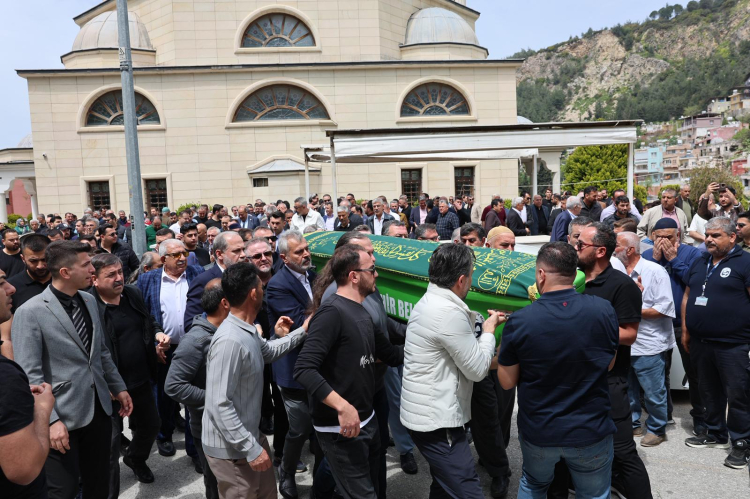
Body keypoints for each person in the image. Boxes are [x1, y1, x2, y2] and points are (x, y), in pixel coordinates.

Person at [12, 241, 133, 499]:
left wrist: (118, 386)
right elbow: (30, 375)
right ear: (65, 272)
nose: (92, 269)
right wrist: (51, 421)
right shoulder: (30, 312)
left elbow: (100, 352)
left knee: (99, 482)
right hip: (61, 416)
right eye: (86, 264)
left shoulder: (89, 300)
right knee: (63, 490)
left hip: (98, 410)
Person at [499, 242, 618, 498]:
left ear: (541, 274)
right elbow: (609, 364)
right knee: (595, 494)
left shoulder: (520, 321)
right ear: (574, 273)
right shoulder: (604, 310)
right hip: (590, 428)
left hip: (540, 430)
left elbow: (507, 382)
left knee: (534, 484)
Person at [295, 244, 404, 498]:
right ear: (354, 276)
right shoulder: (331, 313)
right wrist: (343, 407)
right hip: (341, 429)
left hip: (367, 419)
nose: (376, 274)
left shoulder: (361, 310)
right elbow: (304, 368)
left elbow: (392, 355)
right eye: (372, 269)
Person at [401, 244, 505, 499]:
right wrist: (489, 330)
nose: (471, 282)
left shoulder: (433, 300)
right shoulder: (447, 312)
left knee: (444, 486)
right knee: (467, 489)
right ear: (461, 280)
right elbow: (478, 370)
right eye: (471, 276)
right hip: (437, 422)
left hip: (429, 414)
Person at [202, 263, 307, 499]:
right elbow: (219, 404)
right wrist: (250, 448)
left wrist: (302, 330)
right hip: (232, 449)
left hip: (249, 437)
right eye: (261, 287)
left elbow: (267, 351)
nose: (263, 291)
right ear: (253, 294)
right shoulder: (229, 341)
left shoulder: (246, 327)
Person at [570, 223, 651, 498]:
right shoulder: (573, 280)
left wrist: (581, 325)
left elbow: (629, 335)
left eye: (580, 244)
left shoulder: (622, 285)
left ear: (600, 251)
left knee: (623, 450)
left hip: (608, 381)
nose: (575, 248)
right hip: (574, 378)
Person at [90, 254, 166, 493]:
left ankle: (135, 458)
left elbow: (149, 320)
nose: (119, 278)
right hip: (109, 388)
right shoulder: (88, 305)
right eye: (110, 275)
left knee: (151, 425)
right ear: (94, 279)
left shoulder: (133, 294)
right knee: (110, 444)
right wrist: (108, 384)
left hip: (140, 379)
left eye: (120, 272)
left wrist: (157, 334)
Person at [682, 217, 750, 469]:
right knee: (708, 390)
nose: (709, 239)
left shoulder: (745, 262)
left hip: (735, 344)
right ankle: (715, 432)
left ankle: (742, 442)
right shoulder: (700, 260)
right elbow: (688, 295)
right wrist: (686, 330)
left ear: (732, 237)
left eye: (716, 235)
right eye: (707, 234)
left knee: (738, 394)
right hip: (701, 342)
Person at [137, 239, 204, 460]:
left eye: (184, 253)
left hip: (194, 347)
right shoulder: (148, 279)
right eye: (176, 255)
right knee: (165, 397)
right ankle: (164, 435)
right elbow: (143, 315)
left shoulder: (197, 273)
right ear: (164, 258)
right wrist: (153, 344)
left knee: (195, 398)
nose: (183, 258)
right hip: (164, 349)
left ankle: (195, 450)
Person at [460, 229, 514, 498]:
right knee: (486, 417)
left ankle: (493, 454)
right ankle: (499, 470)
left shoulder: (518, 278)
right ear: (488, 246)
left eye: (513, 245)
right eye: (505, 245)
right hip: (479, 360)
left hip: (505, 361)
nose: (511, 251)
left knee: (503, 415)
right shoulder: (468, 276)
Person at [266, 230, 318, 498]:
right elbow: (301, 322)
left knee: (321, 426)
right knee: (299, 428)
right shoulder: (278, 285)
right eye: (299, 252)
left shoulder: (314, 275)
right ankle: (286, 471)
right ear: (284, 258)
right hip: (294, 368)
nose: (306, 254)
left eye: (306, 248)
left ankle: (324, 479)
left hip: (320, 365)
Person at [166, 279, 229, 499]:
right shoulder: (195, 341)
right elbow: (173, 386)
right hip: (209, 430)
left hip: (233, 426)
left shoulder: (230, 330)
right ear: (225, 303)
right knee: (217, 485)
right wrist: (216, 398)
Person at [642, 218, 705, 435]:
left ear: (678, 236)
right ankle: (664, 415)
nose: (663, 241)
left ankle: (700, 418)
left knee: (694, 372)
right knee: (659, 373)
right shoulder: (647, 256)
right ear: (652, 236)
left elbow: (695, 282)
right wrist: (655, 262)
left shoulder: (692, 254)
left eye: (668, 237)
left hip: (683, 323)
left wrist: (673, 260)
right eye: (658, 237)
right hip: (656, 323)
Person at [614, 232, 675, 447]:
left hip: (649, 343)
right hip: (624, 342)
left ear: (630, 250)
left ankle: (657, 428)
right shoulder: (616, 271)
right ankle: (632, 424)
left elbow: (664, 308)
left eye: (616, 245)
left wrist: (631, 311)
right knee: (627, 389)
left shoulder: (655, 271)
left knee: (653, 391)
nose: (613, 249)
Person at [183, 231, 247, 331]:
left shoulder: (246, 277)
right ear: (219, 254)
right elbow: (191, 324)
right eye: (237, 251)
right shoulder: (203, 281)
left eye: (244, 249)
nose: (243, 255)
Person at [1, 234, 51, 359]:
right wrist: (15, 369)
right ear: (23, 258)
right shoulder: (11, 288)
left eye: (44, 259)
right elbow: (6, 338)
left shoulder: (65, 282)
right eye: (33, 261)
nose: (40, 266)